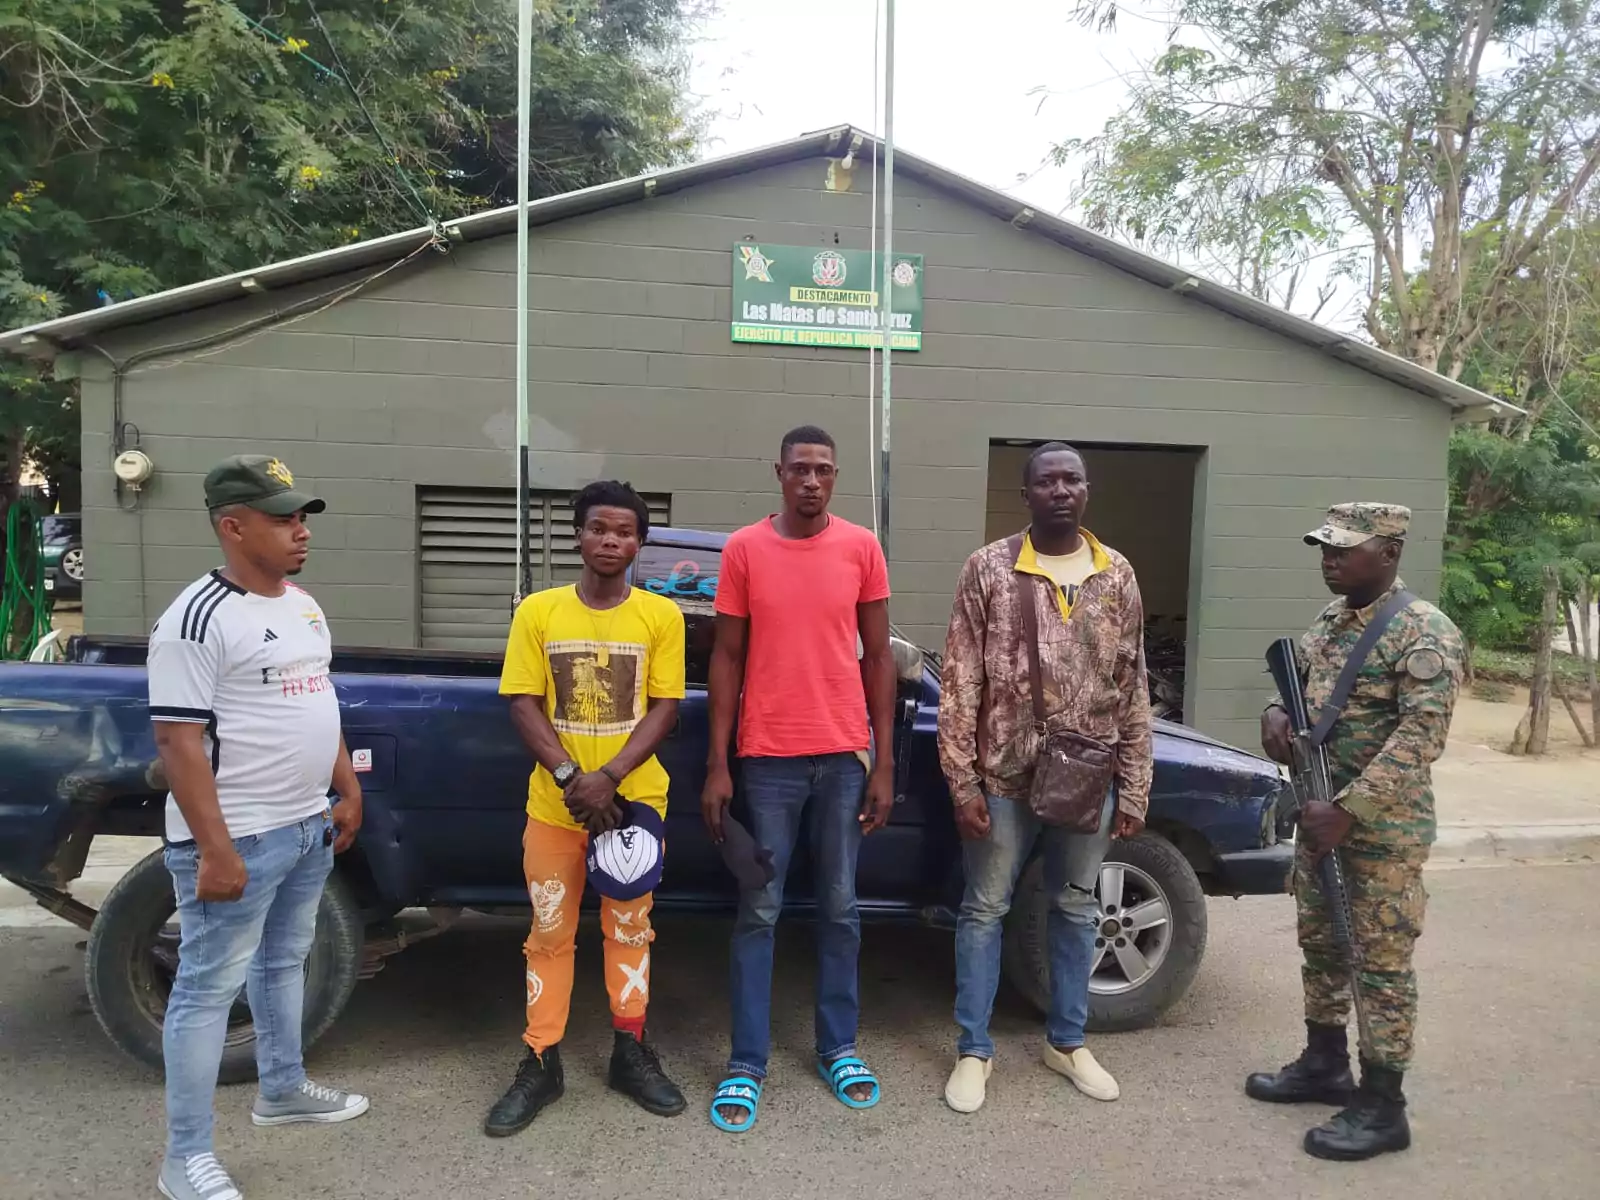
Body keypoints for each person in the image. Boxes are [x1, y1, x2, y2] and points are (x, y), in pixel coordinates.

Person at [148, 455, 368, 1200]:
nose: (300, 531)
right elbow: (178, 740)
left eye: (301, 517)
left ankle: (282, 1089)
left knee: (282, 964)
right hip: (238, 836)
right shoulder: (195, 619)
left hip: (305, 824)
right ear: (232, 527)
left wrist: (345, 787)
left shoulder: (301, 605)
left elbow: (317, 697)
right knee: (206, 991)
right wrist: (214, 850)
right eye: (282, 519)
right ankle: (184, 1158)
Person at [936, 441, 1152, 1115]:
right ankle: (974, 1051)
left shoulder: (1117, 574)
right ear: (1026, 494)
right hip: (1003, 777)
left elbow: (1133, 683)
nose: (1061, 490)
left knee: (1077, 907)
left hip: (1089, 776)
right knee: (984, 910)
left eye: (1072, 480)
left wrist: (1135, 783)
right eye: (1047, 481)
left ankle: (1068, 1042)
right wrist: (961, 781)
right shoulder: (989, 569)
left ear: (1086, 491)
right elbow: (959, 679)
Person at [1249, 503, 1464, 1161]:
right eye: (1325, 548)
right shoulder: (1332, 619)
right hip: (1319, 816)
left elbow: (1420, 736)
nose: (1330, 559)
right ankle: (1324, 1063)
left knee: (1378, 963)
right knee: (1321, 943)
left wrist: (1352, 808)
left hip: (1380, 834)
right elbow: (1300, 683)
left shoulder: (1424, 632)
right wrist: (1275, 711)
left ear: (1390, 552)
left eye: (1345, 549)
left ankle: (1383, 1104)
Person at [701, 425, 896, 1132]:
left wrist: (884, 761)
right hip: (768, 759)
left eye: (824, 470)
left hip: (844, 757)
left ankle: (838, 1047)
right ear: (778, 473)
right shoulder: (744, 549)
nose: (812, 481)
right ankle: (747, 1060)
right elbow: (726, 657)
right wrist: (718, 763)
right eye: (800, 469)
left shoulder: (861, 548)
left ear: (835, 476)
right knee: (760, 910)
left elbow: (879, 657)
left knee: (841, 909)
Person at [485, 480, 688, 1136]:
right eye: (598, 528)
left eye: (624, 531)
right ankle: (541, 1061)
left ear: (639, 543)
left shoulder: (661, 617)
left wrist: (611, 780)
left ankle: (630, 1050)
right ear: (578, 535)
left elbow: (665, 706)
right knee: (549, 933)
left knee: (629, 929)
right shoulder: (539, 612)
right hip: (555, 806)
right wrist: (574, 778)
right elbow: (522, 701)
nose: (610, 540)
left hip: (634, 809)